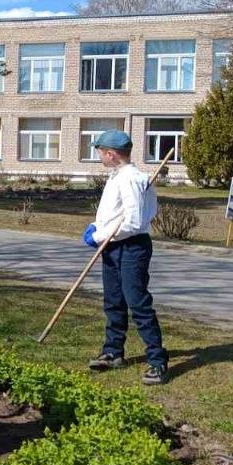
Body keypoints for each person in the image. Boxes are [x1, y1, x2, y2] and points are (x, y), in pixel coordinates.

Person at [83, 129, 168, 385]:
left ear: (110, 154)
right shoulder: (116, 176)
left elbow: (132, 223)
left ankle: (157, 361)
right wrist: (95, 227)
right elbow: (113, 213)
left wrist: (98, 237)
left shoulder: (131, 179)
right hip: (113, 245)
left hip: (131, 247)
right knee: (113, 301)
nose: (99, 156)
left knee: (138, 303)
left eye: (99, 152)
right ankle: (113, 351)